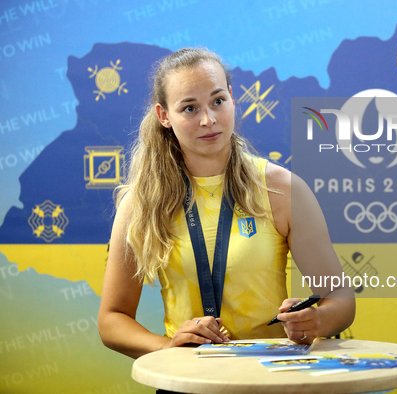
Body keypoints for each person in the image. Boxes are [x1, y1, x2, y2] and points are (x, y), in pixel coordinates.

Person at [98, 48, 355, 360]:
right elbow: (111, 320)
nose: (208, 120)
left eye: (217, 101)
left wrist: (317, 320)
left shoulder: (282, 189)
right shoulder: (142, 201)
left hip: (273, 377)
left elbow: (340, 298)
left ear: (232, 98)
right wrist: (168, 346)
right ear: (164, 116)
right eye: (189, 108)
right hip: (187, 380)